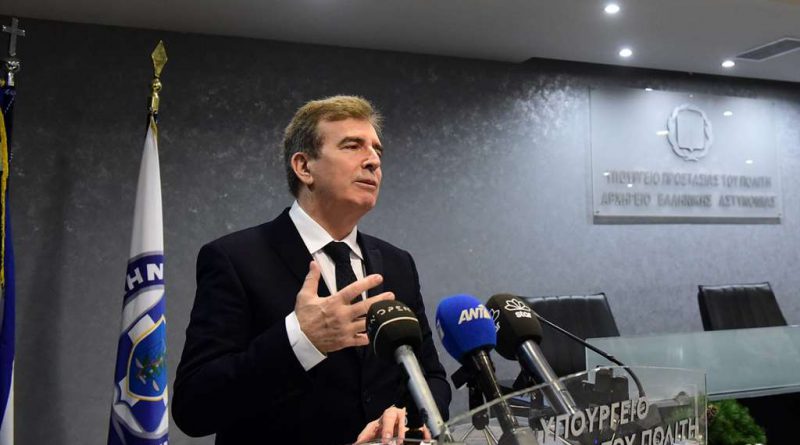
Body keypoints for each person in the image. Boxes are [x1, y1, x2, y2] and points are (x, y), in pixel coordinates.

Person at [172, 96, 451, 444]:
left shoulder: (398, 264)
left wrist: (410, 416)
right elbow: (194, 406)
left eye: (377, 150)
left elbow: (431, 376)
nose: (373, 160)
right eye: (353, 146)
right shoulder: (235, 258)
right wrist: (300, 340)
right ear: (304, 167)